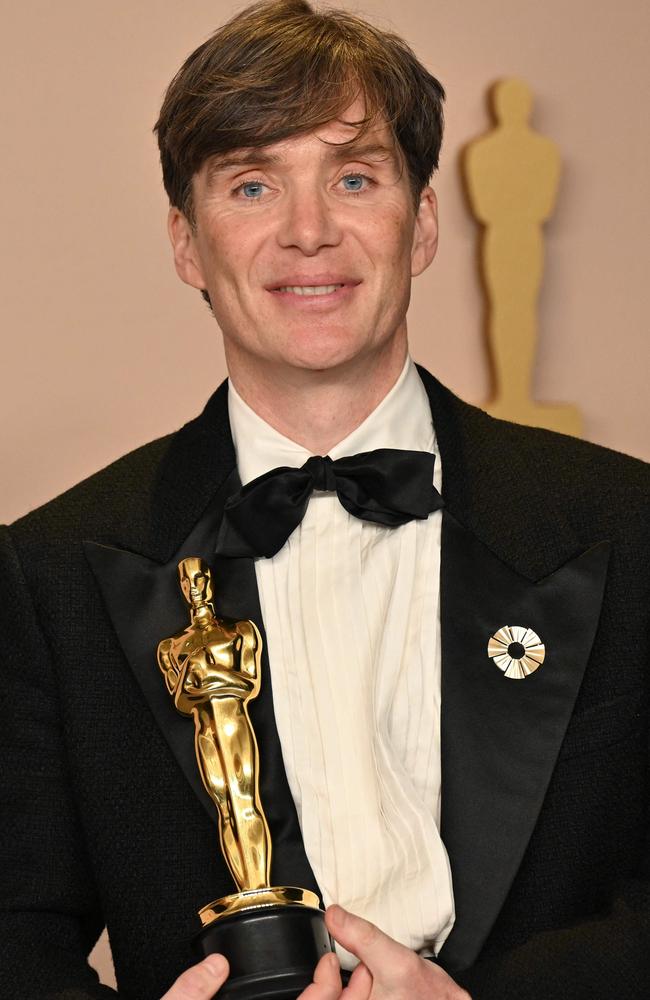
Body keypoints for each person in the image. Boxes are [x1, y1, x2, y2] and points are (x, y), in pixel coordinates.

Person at [0, 2, 647, 999]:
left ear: (420, 220)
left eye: (353, 177)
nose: (308, 232)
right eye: (252, 185)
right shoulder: (52, 569)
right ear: (186, 243)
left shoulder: (625, 524)